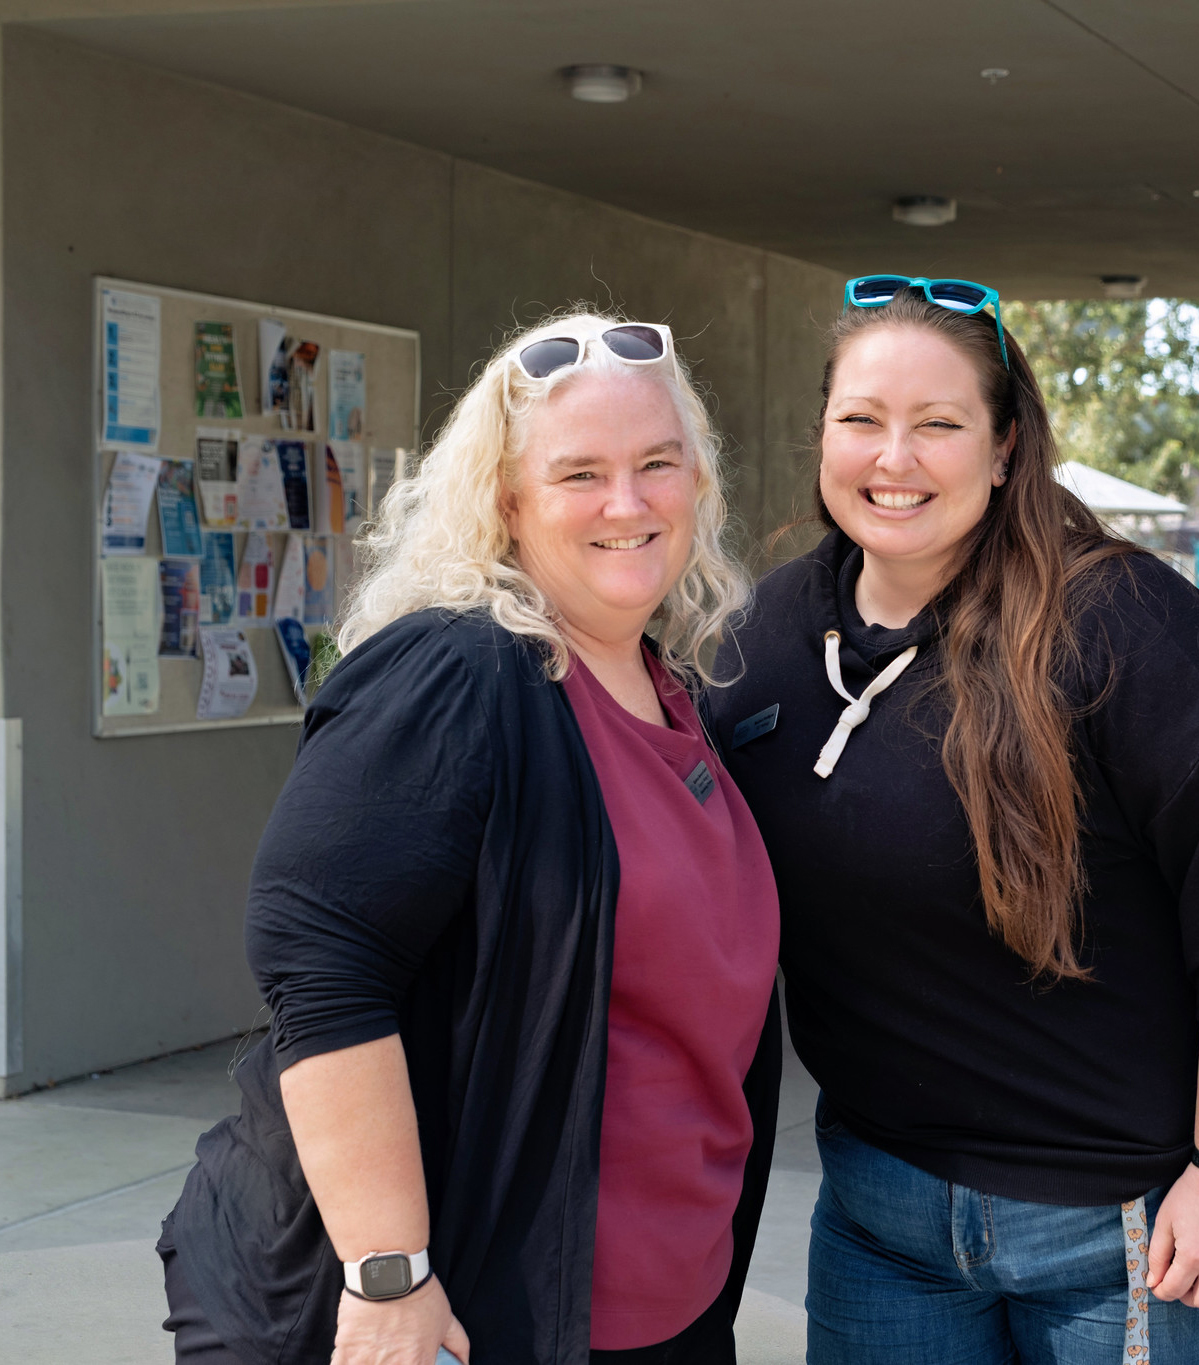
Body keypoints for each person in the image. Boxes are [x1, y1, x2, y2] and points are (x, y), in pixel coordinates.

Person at [704, 278, 1199, 1365]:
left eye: (939, 425)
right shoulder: (764, 633)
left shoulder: (1125, 626)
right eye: (861, 419)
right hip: (883, 1208)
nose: (892, 459)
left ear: (1006, 449)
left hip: (1132, 1215)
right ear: (822, 432)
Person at [158, 313, 782, 1365]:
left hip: (663, 1307)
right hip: (470, 1314)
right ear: (507, 500)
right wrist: (388, 1270)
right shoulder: (460, 671)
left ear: (697, 482)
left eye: (656, 464)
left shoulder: (672, 688)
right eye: (580, 473)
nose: (627, 503)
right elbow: (319, 957)